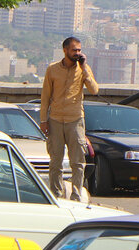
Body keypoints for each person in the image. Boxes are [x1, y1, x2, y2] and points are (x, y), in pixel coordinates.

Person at [39, 36, 99, 201]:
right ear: (65, 50)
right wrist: (43, 120)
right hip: (56, 120)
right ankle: (56, 195)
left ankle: (76, 195)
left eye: (79, 50)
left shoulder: (83, 69)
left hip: (75, 120)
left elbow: (94, 90)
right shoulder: (52, 69)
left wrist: (84, 68)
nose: (77, 53)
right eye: (74, 50)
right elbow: (45, 97)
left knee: (78, 161)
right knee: (55, 161)